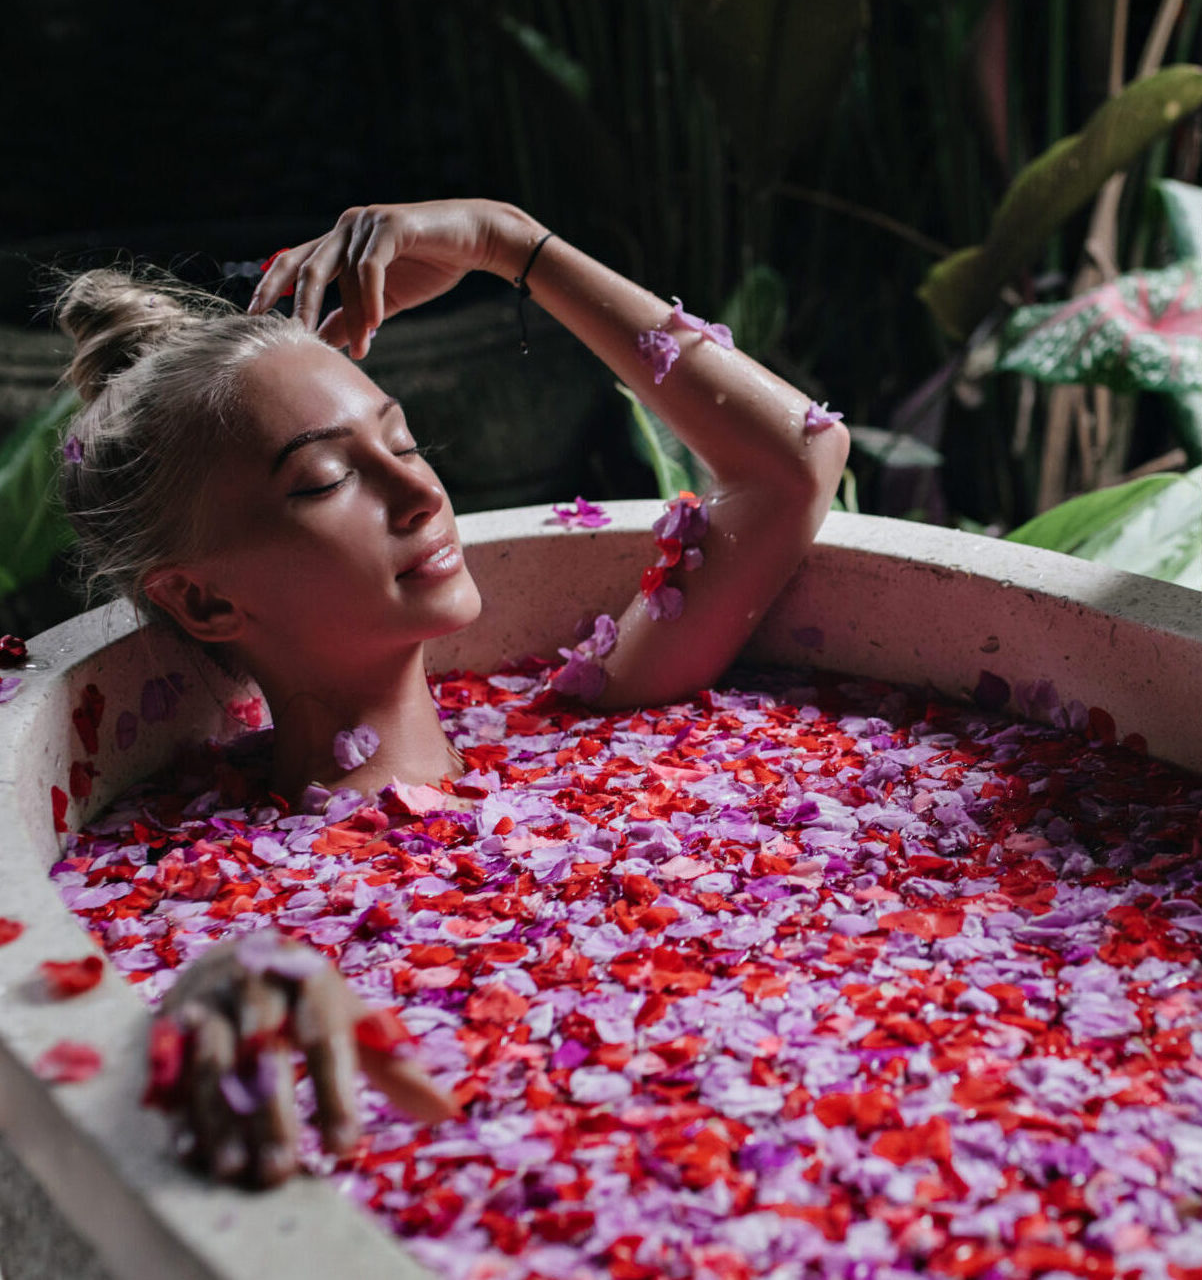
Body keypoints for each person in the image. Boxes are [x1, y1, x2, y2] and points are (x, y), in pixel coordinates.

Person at [55, 198, 850, 1186]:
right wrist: (210, 991)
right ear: (205, 599)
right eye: (326, 479)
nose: (421, 493)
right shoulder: (217, 913)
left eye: (404, 441)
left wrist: (506, 241)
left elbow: (794, 461)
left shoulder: (588, 719)